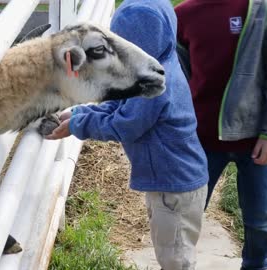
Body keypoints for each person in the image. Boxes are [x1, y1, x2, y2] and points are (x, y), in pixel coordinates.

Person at [46, 0, 208, 269]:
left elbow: (124, 125)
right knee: (170, 249)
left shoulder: (155, 87)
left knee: (176, 258)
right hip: (169, 183)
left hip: (174, 186)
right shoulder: (153, 67)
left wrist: (78, 126)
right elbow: (118, 102)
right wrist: (79, 114)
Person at [175, 0, 267, 269]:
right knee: (184, 216)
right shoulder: (182, 15)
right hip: (201, 141)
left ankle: (257, 264)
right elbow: (178, 78)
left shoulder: (259, 9)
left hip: (254, 141)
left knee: (260, 219)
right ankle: (178, 264)